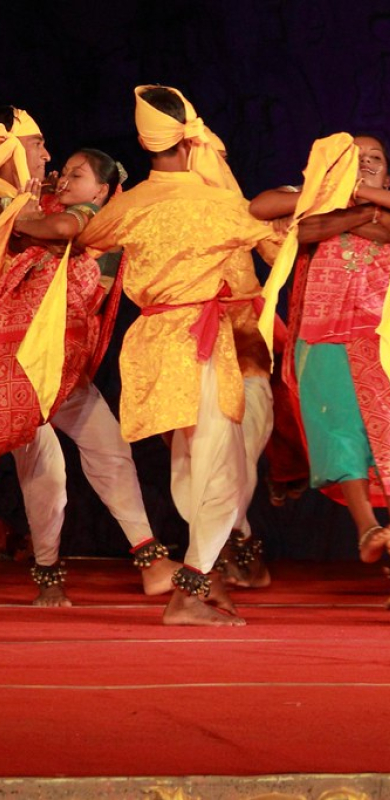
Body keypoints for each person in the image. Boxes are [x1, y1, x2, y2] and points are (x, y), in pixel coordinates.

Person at [78, 85, 283, 626]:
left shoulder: (131, 204)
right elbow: (276, 243)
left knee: (191, 464)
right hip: (202, 340)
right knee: (223, 472)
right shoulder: (217, 202)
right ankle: (187, 592)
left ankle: (205, 573)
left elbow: (84, 239)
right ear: (191, 139)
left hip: (152, 343)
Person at [252, 134, 390, 570]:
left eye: (374, 158)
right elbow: (269, 212)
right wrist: (363, 211)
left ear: (389, 174)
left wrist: (355, 202)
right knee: (337, 433)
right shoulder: (312, 200)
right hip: (320, 333)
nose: (364, 164)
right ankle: (367, 529)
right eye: (353, 160)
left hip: (379, 334)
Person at [5, 140, 178, 606]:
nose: (62, 178)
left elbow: (68, 226)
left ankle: (151, 559)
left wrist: (16, 219)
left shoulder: (101, 224)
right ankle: (48, 572)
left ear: (102, 190)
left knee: (109, 448)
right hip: (17, 366)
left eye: (76, 175)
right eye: (62, 171)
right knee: (47, 470)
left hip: (64, 372)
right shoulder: (35, 207)